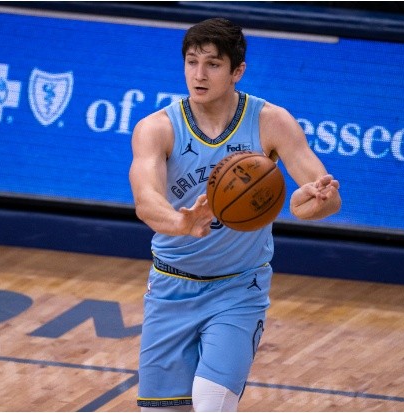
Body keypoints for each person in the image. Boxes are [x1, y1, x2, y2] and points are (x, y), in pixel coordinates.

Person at [129, 17, 341, 412]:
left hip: (238, 289)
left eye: (212, 64)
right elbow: (146, 200)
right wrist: (180, 222)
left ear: (237, 71)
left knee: (211, 404)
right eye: (192, 62)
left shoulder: (271, 122)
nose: (199, 74)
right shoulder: (156, 129)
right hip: (170, 289)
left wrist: (312, 200)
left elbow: (321, 193)